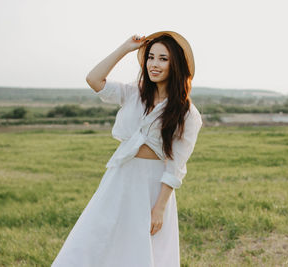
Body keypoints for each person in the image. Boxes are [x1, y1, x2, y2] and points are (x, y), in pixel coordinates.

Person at [51, 31, 203, 267]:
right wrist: (125, 48)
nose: (154, 64)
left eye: (163, 59)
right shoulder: (134, 93)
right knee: (96, 237)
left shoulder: (187, 113)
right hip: (119, 177)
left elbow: (176, 165)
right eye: (151, 57)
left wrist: (159, 208)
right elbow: (94, 80)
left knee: (141, 250)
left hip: (151, 186)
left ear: (177, 65)